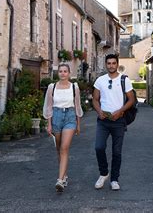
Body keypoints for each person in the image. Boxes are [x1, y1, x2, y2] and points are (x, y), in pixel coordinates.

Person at [92, 53, 135, 191]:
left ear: (117, 64)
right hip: (103, 120)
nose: (111, 65)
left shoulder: (124, 80)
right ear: (106, 64)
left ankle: (114, 179)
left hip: (119, 121)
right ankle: (104, 173)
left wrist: (120, 111)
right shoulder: (100, 80)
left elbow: (131, 100)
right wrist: (99, 111)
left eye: (113, 63)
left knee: (117, 152)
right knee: (99, 147)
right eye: (109, 63)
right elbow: (95, 99)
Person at [42, 63, 83, 192]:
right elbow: (48, 106)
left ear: (69, 73)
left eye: (65, 71)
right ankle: (64, 175)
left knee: (65, 147)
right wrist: (49, 124)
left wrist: (78, 124)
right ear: (58, 73)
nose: (63, 73)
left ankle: (59, 180)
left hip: (70, 117)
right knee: (59, 149)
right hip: (56, 117)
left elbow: (77, 106)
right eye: (60, 71)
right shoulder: (51, 87)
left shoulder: (74, 87)